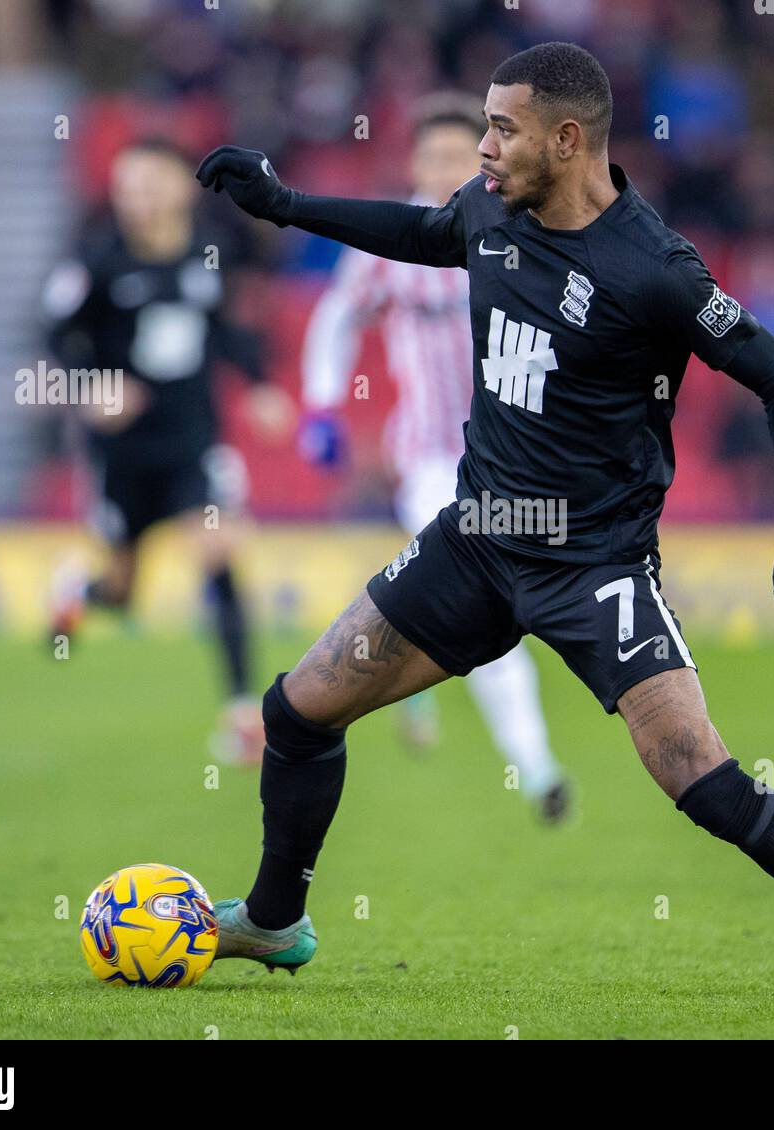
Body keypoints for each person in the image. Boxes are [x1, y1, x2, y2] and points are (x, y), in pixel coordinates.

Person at [195, 43, 774, 1004]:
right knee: (295, 711)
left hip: (595, 565)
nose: (481, 147)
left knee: (700, 777)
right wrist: (287, 204)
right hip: (476, 539)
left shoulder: (655, 267)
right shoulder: (489, 212)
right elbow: (423, 231)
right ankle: (274, 921)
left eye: (501, 129)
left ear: (565, 139)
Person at [301, 91, 571, 820]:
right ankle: (539, 768)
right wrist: (322, 405)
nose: (443, 168)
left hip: (518, 459)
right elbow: (334, 318)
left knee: (473, 603)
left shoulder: (523, 230)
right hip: (429, 459)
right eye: (431, 157)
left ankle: (395, 668)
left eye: (457, 154)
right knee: (496, 600)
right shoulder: (398, 247)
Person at [43, 137, 293, 757]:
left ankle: (242, 714)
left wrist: (260, 388)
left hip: (194, 444)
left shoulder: (214, 255)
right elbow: (52, 343)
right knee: (125, 592)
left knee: (218, 548)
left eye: (150, 185)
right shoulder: (95, 264)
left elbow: (227, 332)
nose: (138, 200)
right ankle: (79, 591)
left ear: (183, 188)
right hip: (124, 457)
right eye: (127, 189)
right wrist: (88, 389)